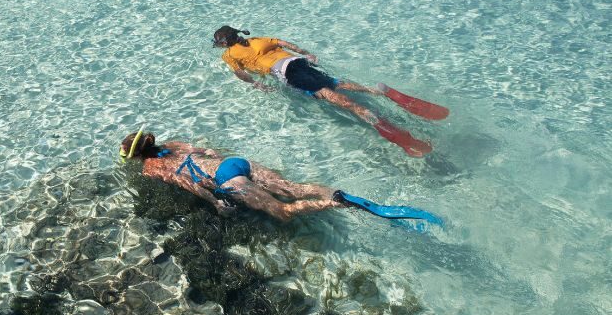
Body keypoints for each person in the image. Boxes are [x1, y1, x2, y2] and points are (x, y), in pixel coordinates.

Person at [212, 25, 449, 158]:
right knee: (337, 83)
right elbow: (284, 43)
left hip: (287, 74)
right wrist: (306, 53)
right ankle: (378, 91)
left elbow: (240, 73)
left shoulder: (230, 55)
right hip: (298, 62)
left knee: (335, 98)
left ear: (224, 43)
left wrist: (256, 84)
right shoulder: (257, 39)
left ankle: (370, 116)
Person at [120, 130, 442, 225]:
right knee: (293, 188)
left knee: (285, 213)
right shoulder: (173, 144)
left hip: (227, 182)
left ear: (136, 156)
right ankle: (332, 191)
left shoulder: (152, 169)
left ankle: (333, 204)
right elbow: (205, 149)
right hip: (234, 162)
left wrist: (215, 203)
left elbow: (186, 182)